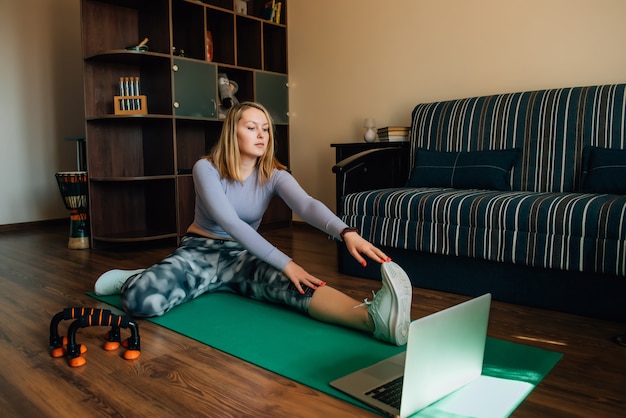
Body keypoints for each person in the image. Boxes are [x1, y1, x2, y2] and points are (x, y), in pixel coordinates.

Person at [94, 101, 412, 346]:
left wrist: (345, 232)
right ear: (232, 132)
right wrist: (286, 261)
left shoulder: (274, 174)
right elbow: (230, 222)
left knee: (298, 286)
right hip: (199, 253)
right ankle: (135, 279)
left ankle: (373, 320)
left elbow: (307, 204)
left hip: (244, 256)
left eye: (266, 129)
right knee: (141, 302)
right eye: (251, 128)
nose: (261, 135)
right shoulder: (206, 168)